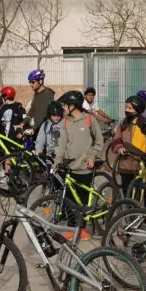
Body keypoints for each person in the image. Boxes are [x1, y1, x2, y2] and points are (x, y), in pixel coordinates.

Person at [54, 90, 104, 241]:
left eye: (66, 105)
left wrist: (92, 156)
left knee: (83, 200)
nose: (64, 107)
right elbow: (62, 144)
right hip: (70, 167)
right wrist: (57, 162)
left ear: (73, 105)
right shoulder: (66, 122)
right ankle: (72, 227)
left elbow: (99, 141)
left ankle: (82, 229)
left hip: (85, 168)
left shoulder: (89, 119)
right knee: (69, 200)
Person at [111, 95, 146, 194]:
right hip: (125, 165)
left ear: (137, 110)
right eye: (126, 107)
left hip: (140, 166)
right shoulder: (123, 123)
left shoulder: (145, 124)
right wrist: (119, 147)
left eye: (130, 108)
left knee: (140, 193)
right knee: (127, 192)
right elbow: (117, 139)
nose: (127, 110)